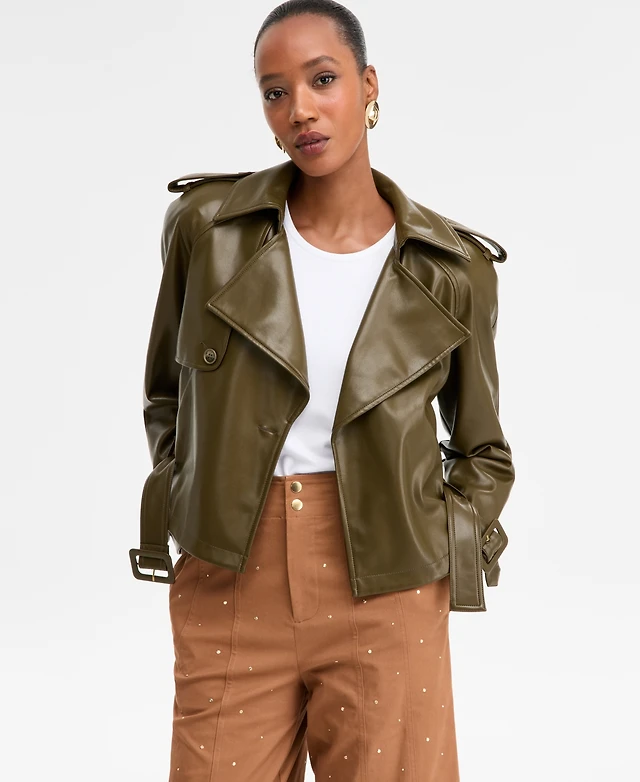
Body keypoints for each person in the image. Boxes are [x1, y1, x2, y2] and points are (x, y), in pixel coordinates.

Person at [129, 1, 516, 779]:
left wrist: (440, 541)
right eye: (275, 92)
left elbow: (483, 449)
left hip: (391, 581)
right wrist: (189, 494)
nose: (299, 109)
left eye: (323, 79)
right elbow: (166, 394)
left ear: (368, 85)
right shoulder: (207, 229)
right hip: (230, 573)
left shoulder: (452, 269)